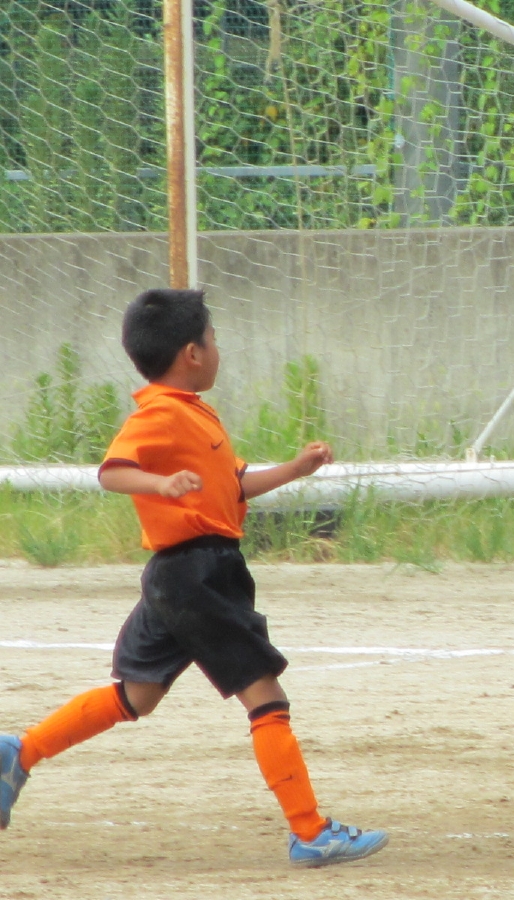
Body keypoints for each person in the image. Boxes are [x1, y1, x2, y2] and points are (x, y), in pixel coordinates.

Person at [0, 288, 387, 867]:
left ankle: (20, 751)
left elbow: (234, 484)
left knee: (138, 694)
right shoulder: (160, 412)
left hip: (181, 575)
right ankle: (310, 832)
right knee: (264, 693)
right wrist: (160, 484)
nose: (218, 348)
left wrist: (295, 469)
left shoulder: (193, 410)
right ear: (192, 353)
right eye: (213, 338)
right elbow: (112, 472)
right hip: (197, 573)